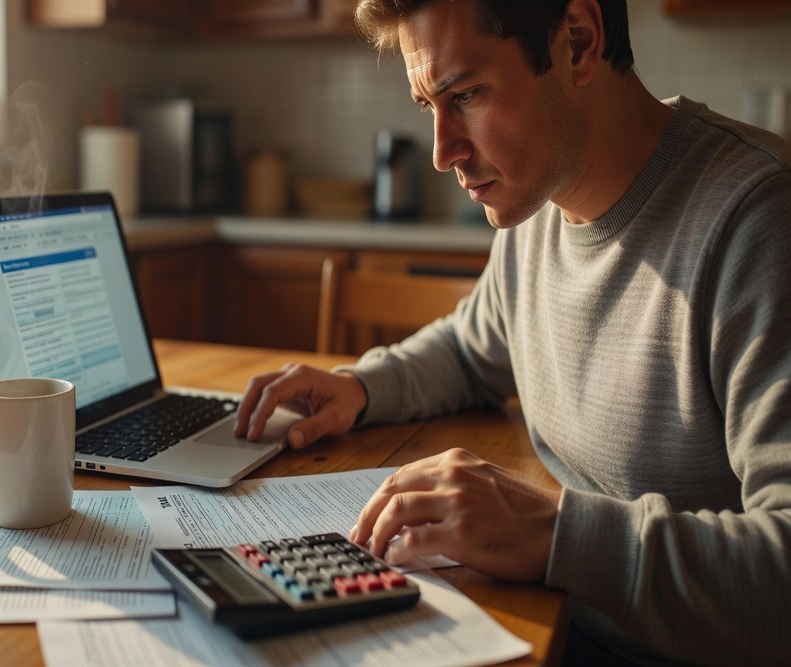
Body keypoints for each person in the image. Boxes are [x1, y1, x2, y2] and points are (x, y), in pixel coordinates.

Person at [233, 0, 791, 664]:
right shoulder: (537, 203)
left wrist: (551, 533)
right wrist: (360, 386)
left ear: (579, 41)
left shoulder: (758, 223)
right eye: (427, 106)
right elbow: (473, 349)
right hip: (551, 621)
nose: (443, 151)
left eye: (465, 94)